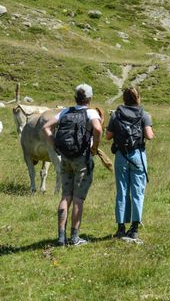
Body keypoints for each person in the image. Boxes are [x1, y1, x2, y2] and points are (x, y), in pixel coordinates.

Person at [43, 84, 102, 246]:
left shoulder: (65, 111)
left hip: (65, 158)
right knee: (78, 199)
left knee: (65, 196)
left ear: (75, 97)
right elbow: (98, 129)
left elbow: (46, 127)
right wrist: (94, 148)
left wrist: (54, 144)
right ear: (90, 98)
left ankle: (61, 237)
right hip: (82, 158)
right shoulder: (91, 112)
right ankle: (74, 237)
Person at [106, 86, 154, 240]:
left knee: (122, 191)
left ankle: (121, 227)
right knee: (137, 192)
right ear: (138, 98)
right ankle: (134, 228)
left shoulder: (116, 115)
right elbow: (149, 136)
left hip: (121, 155)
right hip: (138, 155)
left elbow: (108, 136)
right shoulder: (144, 114)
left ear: (124, 98)